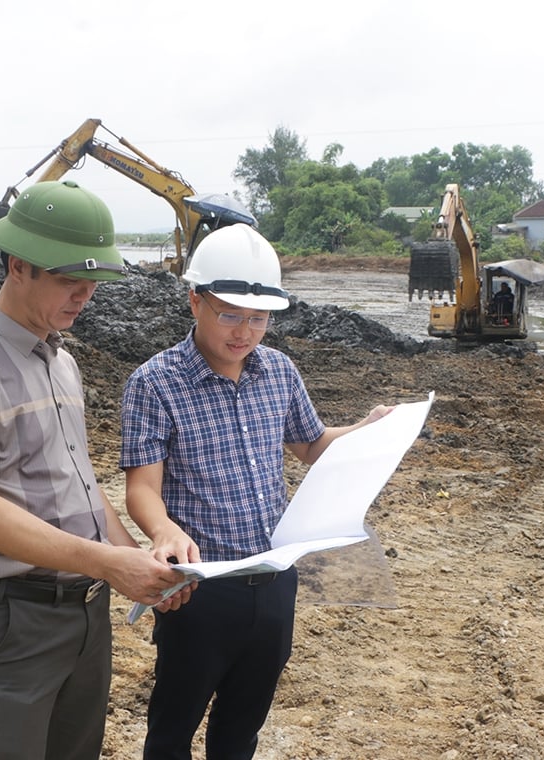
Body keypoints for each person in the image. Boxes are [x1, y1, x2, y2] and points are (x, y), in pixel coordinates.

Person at [0, 180, 187, 760]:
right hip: (12, 622)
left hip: (84, 615)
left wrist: (137, 559)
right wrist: (109, 564)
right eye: (69, 279)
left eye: (93, 281)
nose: (84, 295)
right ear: (19, 266)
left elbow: (81, 488)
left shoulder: (60, 361)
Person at [120, 223, 393, 759]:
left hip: (274, 580)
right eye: (230, 314)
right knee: (172, 732)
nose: (245, 331)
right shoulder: (154, 384)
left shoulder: (279, 372)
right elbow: (141, 488)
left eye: (259, 317)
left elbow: (311, 445)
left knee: (241, 731)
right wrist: (163, 529)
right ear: (195, 301)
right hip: (198, 591)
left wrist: (370, 426)